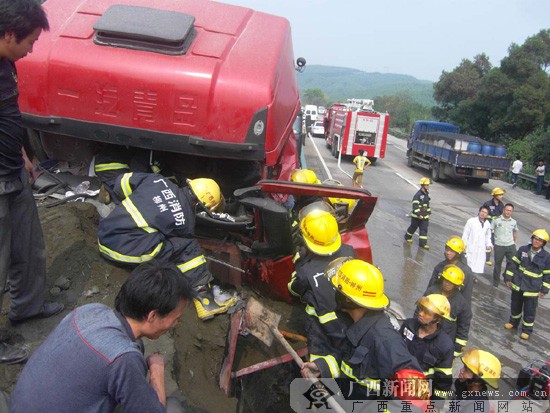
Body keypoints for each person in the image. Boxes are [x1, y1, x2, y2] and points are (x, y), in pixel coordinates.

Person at [10, 260, 191, 413]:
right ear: (152, 316)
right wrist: (157, 371)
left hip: (19, 406)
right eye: (175, 319)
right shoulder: (123, 359)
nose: (175, 324)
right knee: (173, 407)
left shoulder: (89, 310)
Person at [0, 0, 64, 364]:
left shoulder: (7, 64)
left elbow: (9, 115)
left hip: (13, 172)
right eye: (31, 41)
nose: (32, 49)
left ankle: (28, 306)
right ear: (9, 33)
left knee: (28, 247)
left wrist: (23, 156)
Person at [97, 172, 237, 320]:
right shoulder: (186, 222)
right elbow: (177, 245)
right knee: (189, 247)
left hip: (105, 236)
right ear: (199, 205)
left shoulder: (157, 180)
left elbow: (121, 183)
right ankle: (206, 300)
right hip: (124, 251)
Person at [301, 260, 428, 403]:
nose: (334, 292)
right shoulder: (355, 325)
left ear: (347, 299)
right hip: (347, 398)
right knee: (308, 401)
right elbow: (349, 362)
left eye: (338, 290)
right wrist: (323, 367)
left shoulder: (384, 339)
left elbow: (418, 393)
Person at [288, 209, 355, 378]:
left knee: (320, 360)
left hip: (323, 329)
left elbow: (294, 290)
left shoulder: (306, 271)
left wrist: (300, 263)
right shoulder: (349, 252)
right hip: (352, 320)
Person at [400, 294, 454, 400]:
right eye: (421, 309)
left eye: (426, 312)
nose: (420, 313)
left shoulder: (444, 345)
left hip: (418, 393)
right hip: (396, 381)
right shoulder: (408, 325)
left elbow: (443, 381)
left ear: (438, 319)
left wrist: (436, 405)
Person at [503, 229, 550, 340]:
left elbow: (547, 275)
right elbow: (513, 264)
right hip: (518, 285)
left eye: (540, 240)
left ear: (543, 243)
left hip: (532, 289)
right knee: (515, 306)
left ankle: (526, 330)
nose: (536, 241)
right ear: (532, 238)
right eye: (535, 239)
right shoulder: (523, 250)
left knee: (529, 311)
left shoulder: (547, 257)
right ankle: (513, 323)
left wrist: (544, 290)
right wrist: (508, 277)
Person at [422, 265, 472, 357]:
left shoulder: (461, 304)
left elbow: (463, 329)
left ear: (456, 285)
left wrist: (454, 353)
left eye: (451, 282)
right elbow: (419, 311)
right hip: (424, 335)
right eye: (446, 280)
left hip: (441, 343)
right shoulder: (432, 291)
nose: (447, 284)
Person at [426, 236, 474, 303]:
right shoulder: (440, 266)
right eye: (447, 249)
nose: (448, 253)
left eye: (452, 251)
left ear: (458, 254)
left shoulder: (466, 271)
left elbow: (466, 296)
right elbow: (431, 287)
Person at [453, 348, 501, 412]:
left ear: (478, 381)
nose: (461, 371)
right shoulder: (464, 387)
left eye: (467, 370)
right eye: (464, 367)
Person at [491, 203, 518, 287]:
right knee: (498, 264)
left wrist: (515, 242)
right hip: (499, 245)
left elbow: (515, 231)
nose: (508, 212)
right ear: (503, 210)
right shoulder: (496, 220)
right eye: (507, 210)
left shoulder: (513, 222)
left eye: (510, 211)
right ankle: (496, 281)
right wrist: (492, 243)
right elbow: (490, 231)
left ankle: (507, 278)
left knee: (513, 262)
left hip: (510, 245)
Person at [462, 206, 492, 275]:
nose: (483, 214)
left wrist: (489, 244)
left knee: (477, 265)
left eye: (485, 212)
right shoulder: (471, 221)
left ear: (487, 215)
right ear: (479, 212)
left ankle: (471, 277)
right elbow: (465, 235)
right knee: (468, 264)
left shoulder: (487, 224)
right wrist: (464, 245)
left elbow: (488, 236)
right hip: (470, 247)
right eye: (482, 211)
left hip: (480, 249)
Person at [404, 177, 431, 249]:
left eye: (428, 185)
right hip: (416, 217)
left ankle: (422, 244)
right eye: (427, 185)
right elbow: (415, 206)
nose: (428, 186)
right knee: (413, 227)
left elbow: (427, 205)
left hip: (424, 216)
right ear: (423, 185)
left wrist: (429, 212)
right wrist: (418, 214)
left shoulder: (426, 194)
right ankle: (407, 237)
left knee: (424, 229)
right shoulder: (418, 195)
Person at [482, 187, 505, 266]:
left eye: (502, 195)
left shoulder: (501, 205)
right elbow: (482, 214)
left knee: (492, 243)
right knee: (486, 241)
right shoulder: (487, 204)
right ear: (495, 195)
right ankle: (485, 258)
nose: (501, 196)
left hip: (496, 228)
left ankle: (488, 259)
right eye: (500, 195)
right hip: (487, 226)